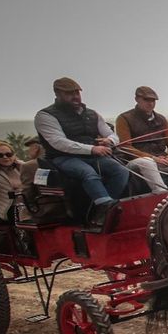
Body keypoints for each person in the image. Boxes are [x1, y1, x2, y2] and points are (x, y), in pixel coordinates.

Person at [34, 76, 128, 227]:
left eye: (77, 92)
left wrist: (109, 141)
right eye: (69, 93)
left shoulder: (92, 114)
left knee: (121, 171)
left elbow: (111, 134)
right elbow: (59, 143)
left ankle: (103, 207)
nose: (75, 96)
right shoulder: (45, 116)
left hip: (93, 155)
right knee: (88, 173)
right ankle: (105, 208)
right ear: (57, 94)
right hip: (62, 158)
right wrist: (92, 149)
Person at [115, 86, 168, 191]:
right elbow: (125, 147)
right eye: (146, 100)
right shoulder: (124, 118)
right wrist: (153, 158)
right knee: (147, 162)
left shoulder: (161, 119)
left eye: (153, 100)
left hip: (162, 160)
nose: (150, 103)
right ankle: (162, 193)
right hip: (137, 162)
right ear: (137, 99)